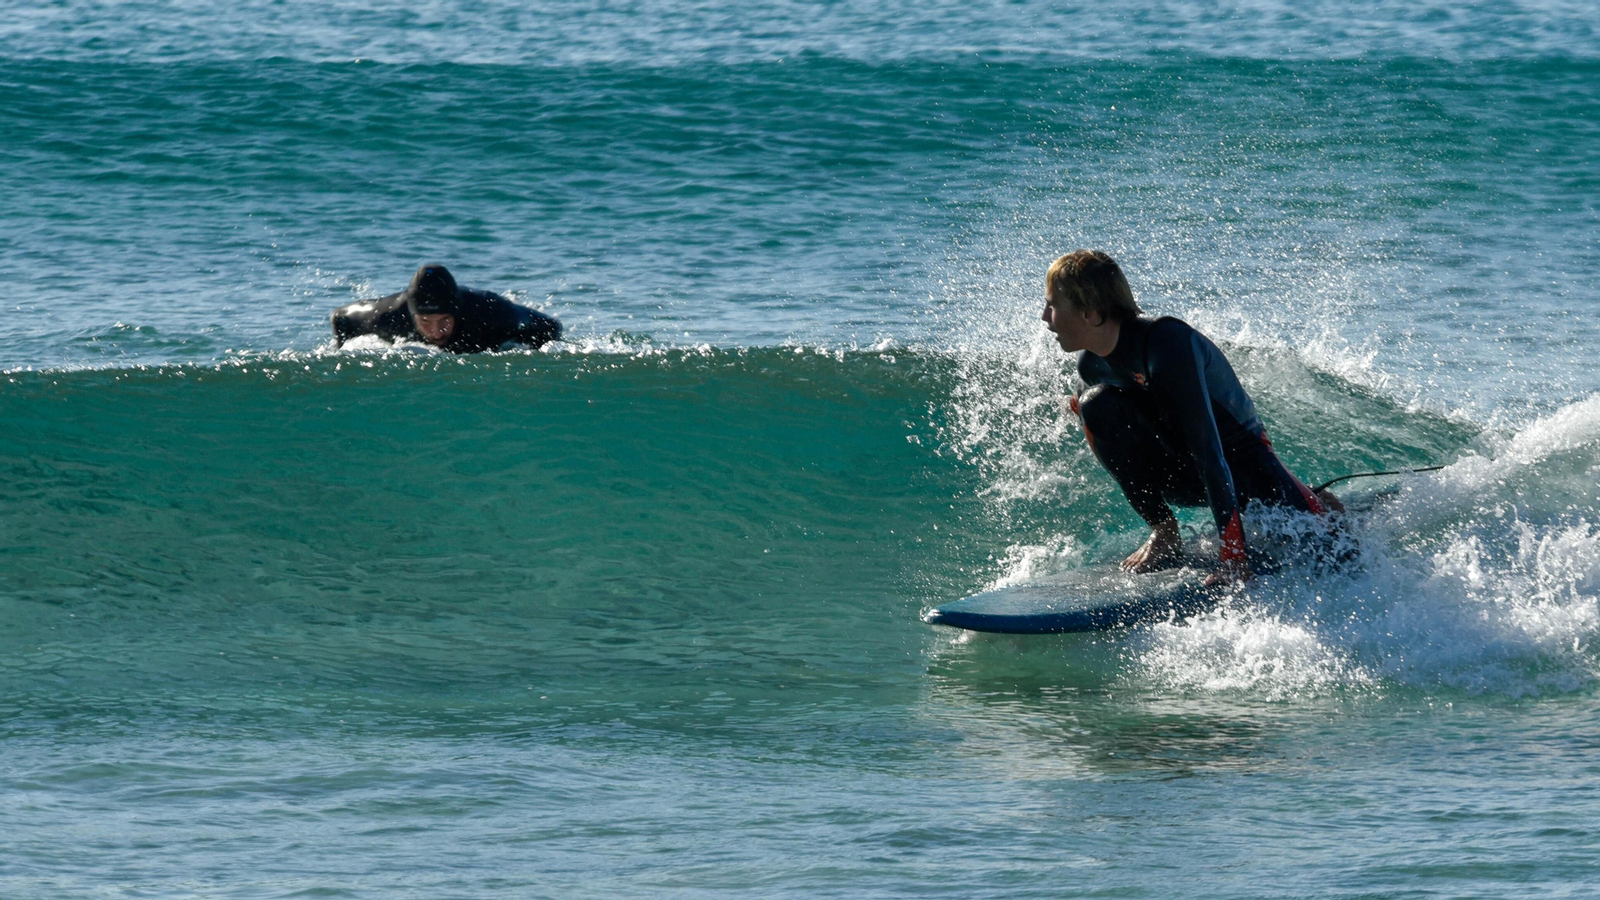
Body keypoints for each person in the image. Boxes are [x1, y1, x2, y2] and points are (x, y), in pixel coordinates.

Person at [1041, 250, 1338, 586]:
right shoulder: (1091, 365)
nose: (1045, 317)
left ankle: (1314, 500)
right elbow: (1112, 431)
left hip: (1245, 467)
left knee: (1331, 545)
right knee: (1092, 404)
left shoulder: (1166, 344)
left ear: (1090, 314)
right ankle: (1164, 531)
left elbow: (1209, 451)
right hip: (1185, 476)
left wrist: (1233, 559)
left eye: (1052, 305)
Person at [330, 264, 561, 353]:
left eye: (444, 321)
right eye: (425, 322)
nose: (436, 332)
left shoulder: (489, 312)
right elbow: (340, 317)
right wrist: (343, 351)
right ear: (412, 315)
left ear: (456, 313)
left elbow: (550, 326)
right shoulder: (388, 316)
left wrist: (523, 352)